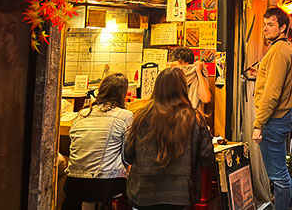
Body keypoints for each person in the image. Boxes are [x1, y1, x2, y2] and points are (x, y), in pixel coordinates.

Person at [125, 67, 215, 210]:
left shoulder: (141, 117)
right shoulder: (194, 118)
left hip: (143, 194)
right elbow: (207, 158)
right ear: (182, 89)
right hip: (181, 195)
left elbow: (128, 155)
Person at [252, 7, 292, 210]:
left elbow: (272, 92)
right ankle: (290, 203)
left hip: (274, 118)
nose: (265, 28)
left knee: (277, 174)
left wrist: (258, 124)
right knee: (281, 169)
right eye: (265, 24)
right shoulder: (286, 48)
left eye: (270, 24)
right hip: (283, 116)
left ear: (282, 27)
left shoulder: (279, 51)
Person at [62, 73, 132, 210]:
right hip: (106, 184)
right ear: (122, 94)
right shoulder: (125, 116)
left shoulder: (82, 114)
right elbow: (128, 155)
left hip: (73, 182)